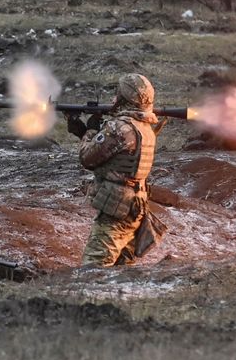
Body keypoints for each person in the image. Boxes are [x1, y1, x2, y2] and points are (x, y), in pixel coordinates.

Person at [66, 73, 163, 267]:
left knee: (94, 268)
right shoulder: (145, 127)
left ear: (124, 98)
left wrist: (90, 131)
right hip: (135, 206)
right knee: (121, 269)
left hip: (118, 207)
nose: (114, 98)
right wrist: (86, 134)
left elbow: (88, 159)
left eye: (117, 93)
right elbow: (115, 157)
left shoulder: (120, 128)